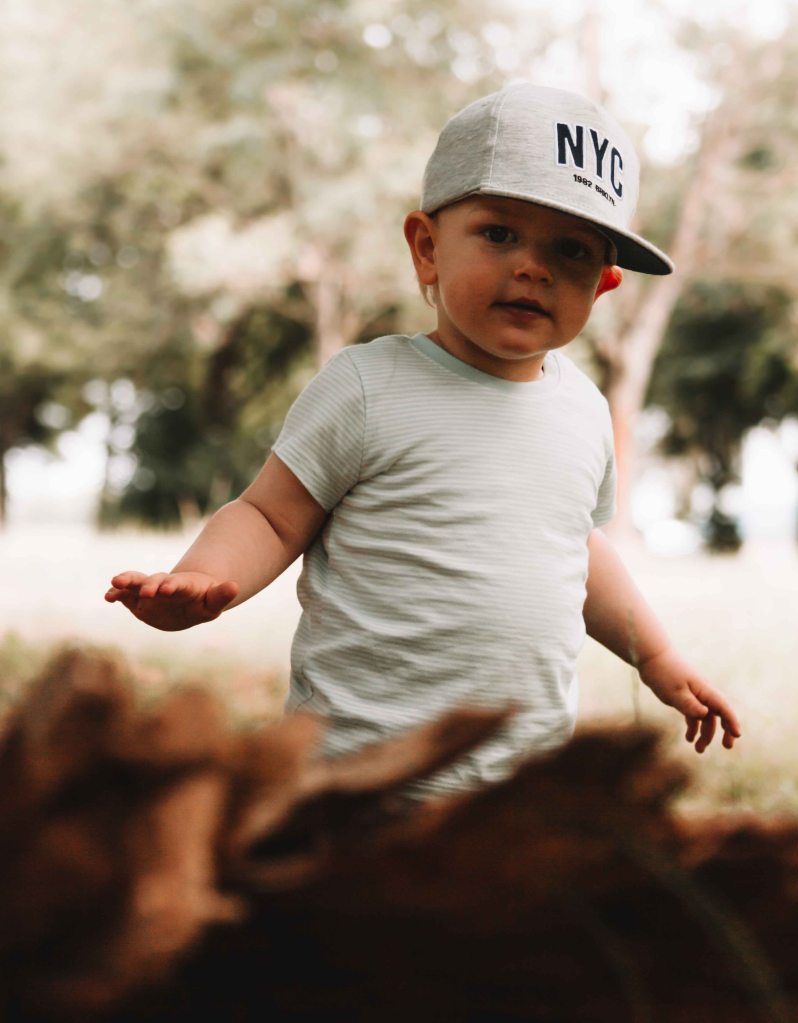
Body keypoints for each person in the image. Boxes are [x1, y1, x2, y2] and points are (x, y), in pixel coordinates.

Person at [106, 84, 740, 796]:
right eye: (500, 234)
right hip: (358, 778)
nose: (532, 267)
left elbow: (577, 548)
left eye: (570, 249)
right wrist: (201, 577)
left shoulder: (584, 411)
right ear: (427, 248)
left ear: (601, 285)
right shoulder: (368, 386)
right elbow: (269, 514)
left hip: (515, 787)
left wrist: (656, 657)